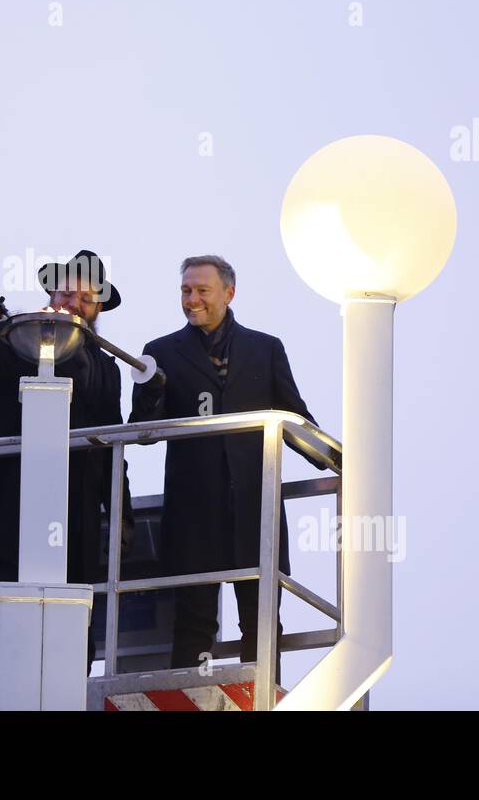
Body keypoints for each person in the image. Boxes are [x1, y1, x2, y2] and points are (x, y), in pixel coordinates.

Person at [130, 255, 326, 682]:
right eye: (186, 290)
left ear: (228, 293)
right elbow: (142, 432)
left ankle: (262, 701)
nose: (192, 299)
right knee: (194, 625)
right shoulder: (159, 352)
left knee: (260, 624)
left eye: (202, 290)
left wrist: (340, 462)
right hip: (193, 514)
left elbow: (296, 420)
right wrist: (149, 389)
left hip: (256, 511)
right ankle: (186, 701)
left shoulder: (265, 348)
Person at [0, 250, 132, 684]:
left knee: (71, 630)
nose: (73, 302)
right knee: (7, 628)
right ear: (50, 294)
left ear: (98, 308)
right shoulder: (17, 343)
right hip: (11, 506)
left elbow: (110, 444)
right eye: (65, 291)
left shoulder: (107, 368)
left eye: (85, 297)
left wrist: (120, 515)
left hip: (77, 517)